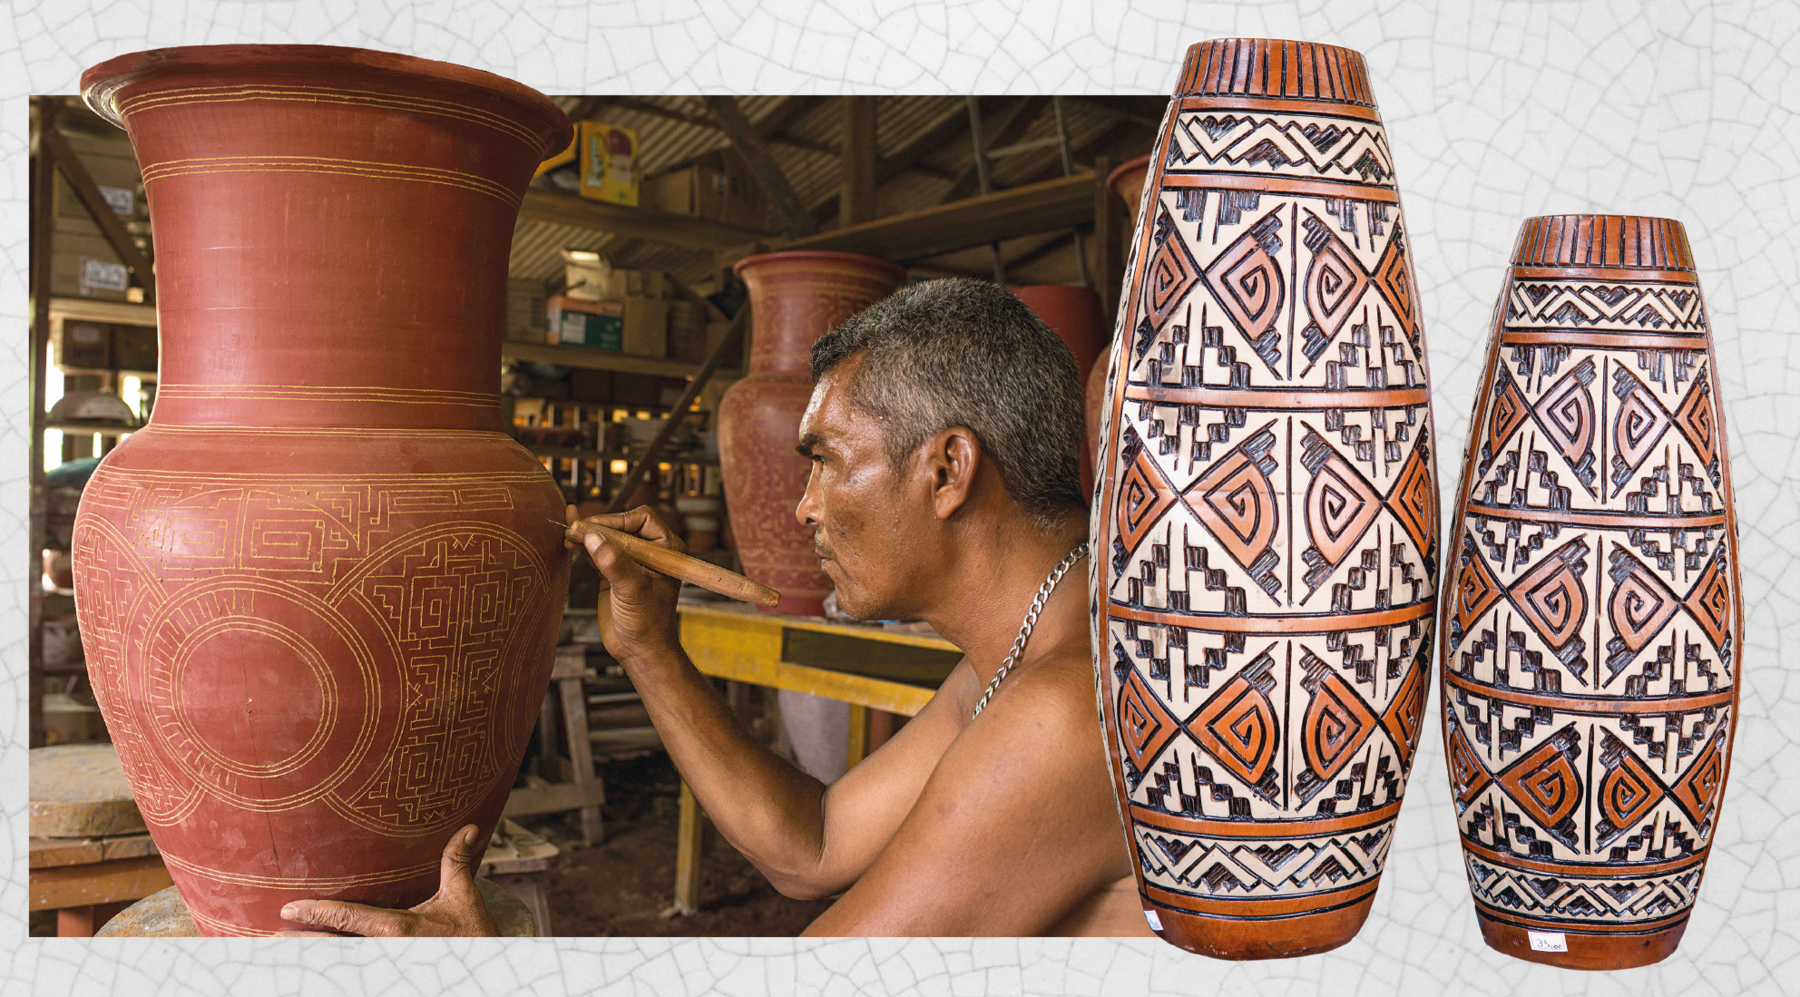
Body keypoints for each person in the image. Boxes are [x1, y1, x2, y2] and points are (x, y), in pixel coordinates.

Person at [279, 278, 1150, 937]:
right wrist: (651, 647)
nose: (804, 506)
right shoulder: (1021, 653)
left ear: (947, 470)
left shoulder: (1066, 708)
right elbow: (814, 845)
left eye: (828, 461)